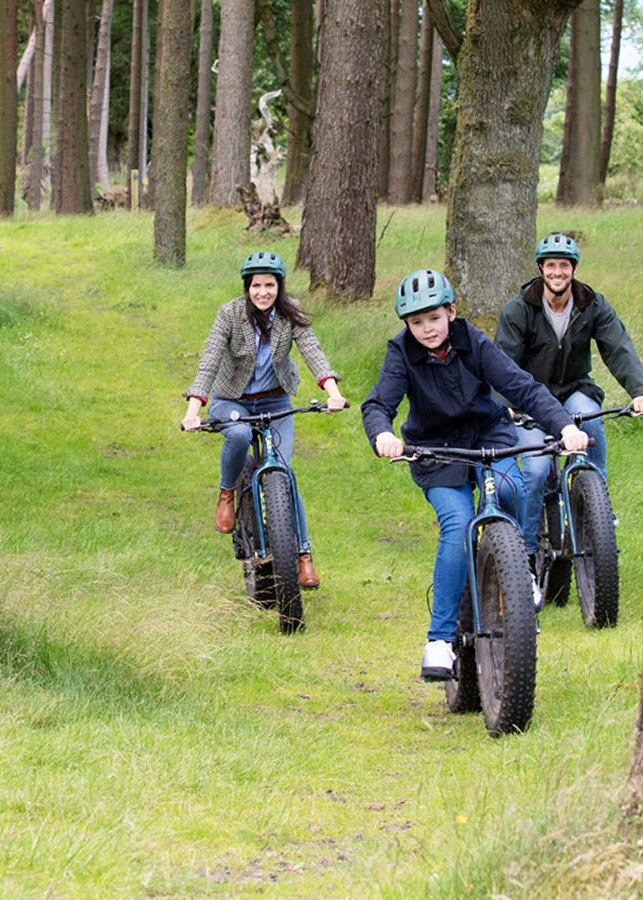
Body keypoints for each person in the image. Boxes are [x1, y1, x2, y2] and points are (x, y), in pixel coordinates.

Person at [362, 269, 587, 681]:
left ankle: (523, 573)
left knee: (512, 489)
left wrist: (564, 426)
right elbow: (378, 404)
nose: (426, 329)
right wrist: (383, 435)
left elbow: (522, 388)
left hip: (489, 436)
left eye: (433, 318)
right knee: (459, 525)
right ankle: (440, 640)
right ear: (406, 325)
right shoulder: (400, 354)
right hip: (436, 451)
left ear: (451, 311)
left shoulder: (473, 341)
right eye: (416, 323)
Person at [181, 251, 347, 589]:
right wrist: (193, 411)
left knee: (283, 474)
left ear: (279, 287)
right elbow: (210, 359)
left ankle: (303, 556)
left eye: (269, 285)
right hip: (232, 401)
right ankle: (227, 494)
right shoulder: (229, 314)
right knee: (240, 436)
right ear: (247, 287)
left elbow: (312, 350)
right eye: (256, 285)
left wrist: (332, 392)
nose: (263, 292)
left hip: (275, 400)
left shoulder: (290, 313)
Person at [497, 233, 643, 552]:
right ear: (541, 268)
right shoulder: (519, 309)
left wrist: (640, 391)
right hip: (528, 401)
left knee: (592, 421)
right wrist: (506, 405)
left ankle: (598, 505)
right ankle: (525, 551)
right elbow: (503, 363)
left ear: (574, 268)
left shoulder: (591, 303)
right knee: (538, 470)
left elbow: (618, 348)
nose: (558, 272)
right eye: (551, 265)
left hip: (573, 390)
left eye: (564, 266)